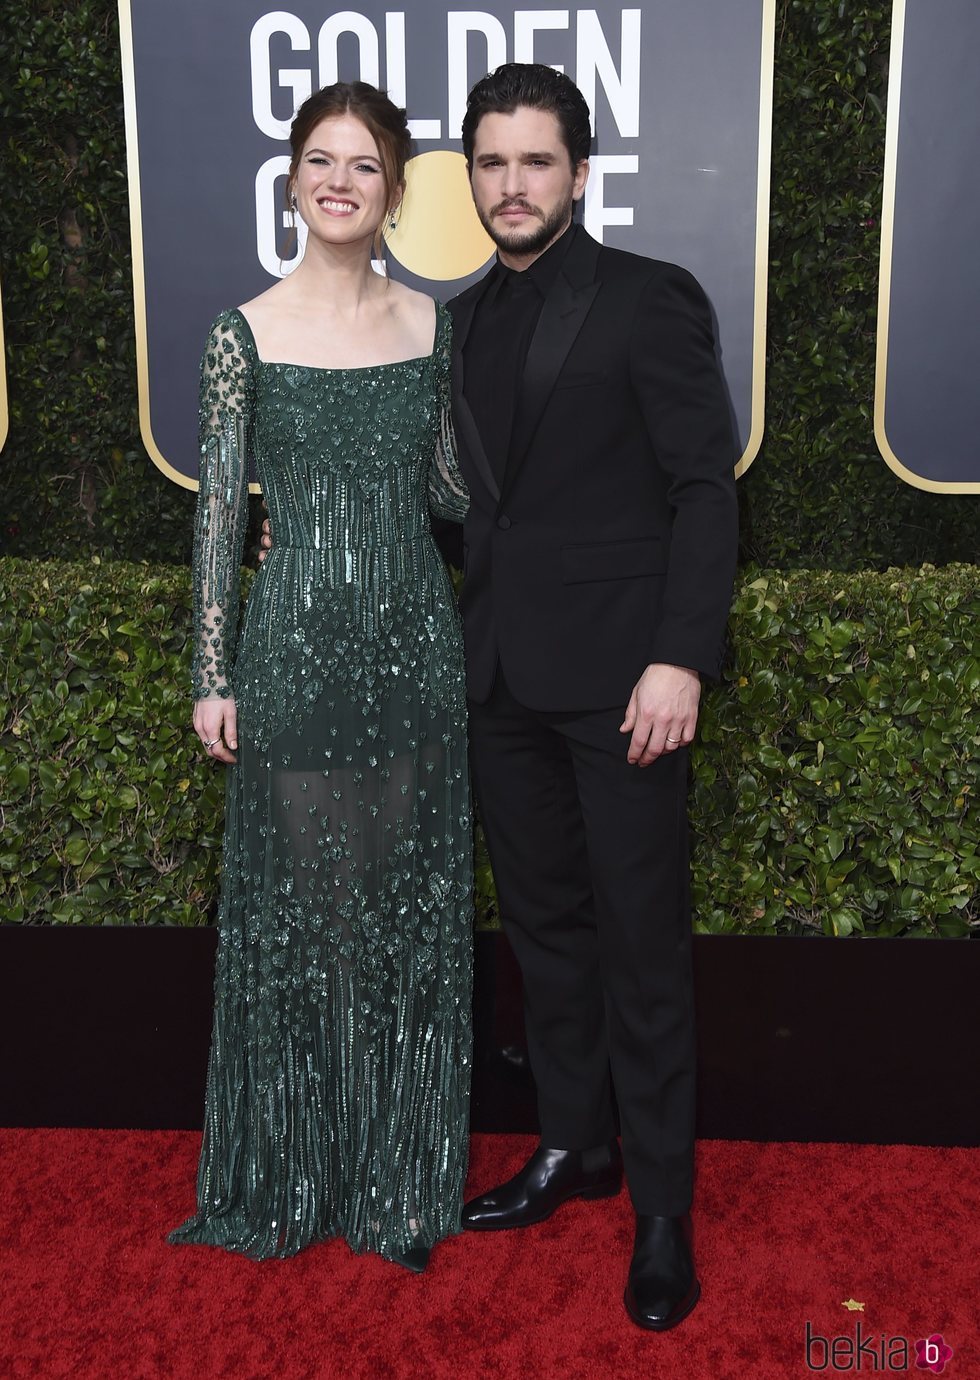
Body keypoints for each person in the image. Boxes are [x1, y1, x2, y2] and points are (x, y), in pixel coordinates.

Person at [450, 64, 738, 1330]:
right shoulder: (457, 319)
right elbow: (476, 507)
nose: (511, 185)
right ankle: (577, 1146)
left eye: (534, 162)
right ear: (467, 178)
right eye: (490, 163)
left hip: (625, 685)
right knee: (545, 936)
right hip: (501, 679)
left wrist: (679, 655)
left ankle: (662, 1206)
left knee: (637, 943)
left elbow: (703, 488)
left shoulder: (646, 300)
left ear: (578, 172)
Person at [170, 81, 473, 1274]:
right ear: (292, 180)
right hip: (291, 648)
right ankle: (296, 1168)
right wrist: (211, 671)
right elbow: (214, 518)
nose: (339, 179)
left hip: (413, 645)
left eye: (363, 163)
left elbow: (451, 494)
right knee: (310, 921)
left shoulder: (433, 330)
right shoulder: (241, 332)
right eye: (319, 159)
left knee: (399, 915)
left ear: (394, 190)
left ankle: (393, 1164)